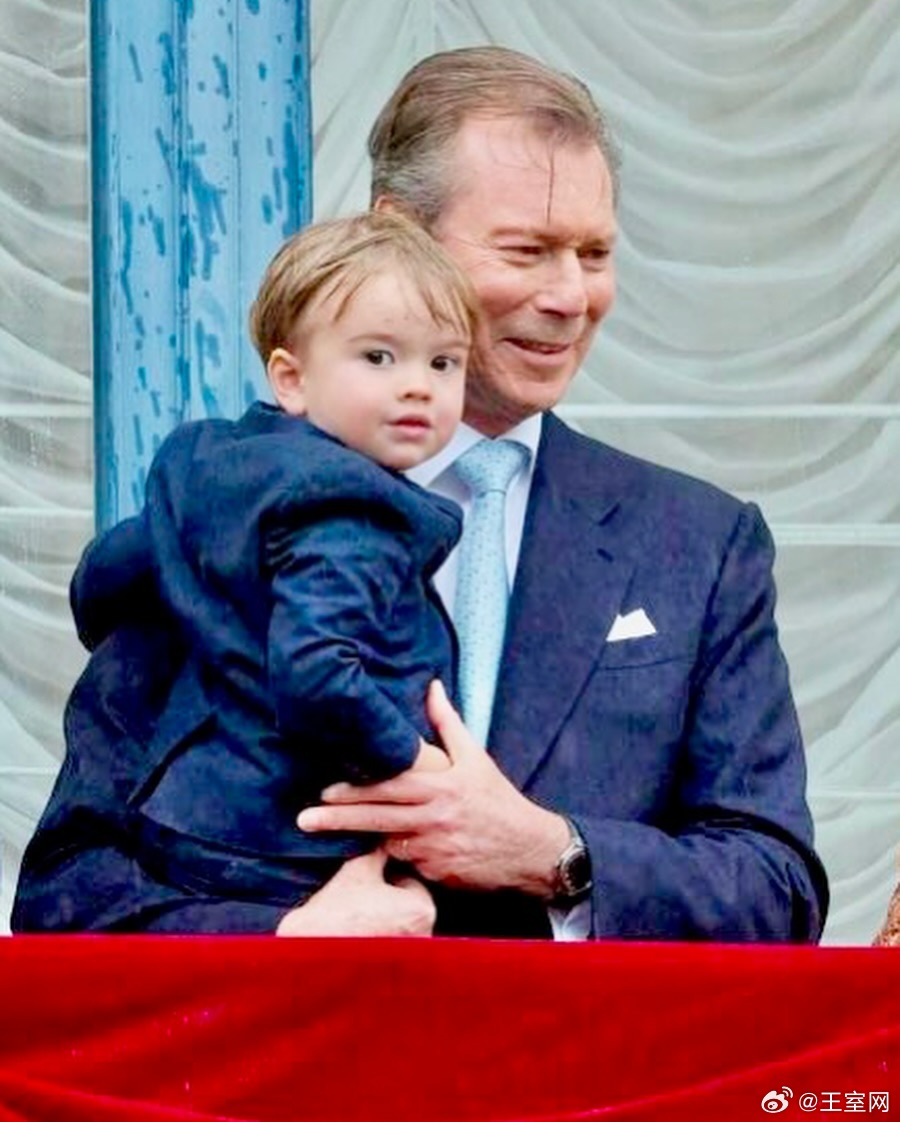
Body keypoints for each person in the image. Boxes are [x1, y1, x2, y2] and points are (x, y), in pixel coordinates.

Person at [15, 45, 829, 941]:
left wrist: (553, 853)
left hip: (569, 1039)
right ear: (402, 233)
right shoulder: (231, 510)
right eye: (527, 250)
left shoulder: (699, 545)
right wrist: (289, 942)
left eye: (594, 253)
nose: (571, 295)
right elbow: (67, 894)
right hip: (293, 1032)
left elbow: (777, 890)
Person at [11, 211, 477, 932]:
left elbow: (101, 578)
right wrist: (422, 768)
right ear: (291, 379)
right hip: (288, 845)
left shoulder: (216, 477)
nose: (418, 386)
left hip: (189, 819)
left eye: (443, 363)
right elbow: (317, 671)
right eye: (379, 357)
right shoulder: (355, 508)